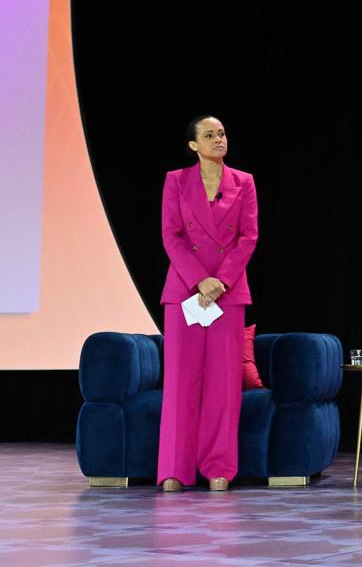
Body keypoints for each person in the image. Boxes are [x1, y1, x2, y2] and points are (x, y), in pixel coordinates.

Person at [158, 115, 259, 492]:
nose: (219, 139)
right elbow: (172, 236)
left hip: (228, 293)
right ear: (193, 145)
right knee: (180, 382)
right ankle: (174, 468)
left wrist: (221, 280)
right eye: (209, 135)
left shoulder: (244, 182)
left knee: (223, 383)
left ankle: (219, 466)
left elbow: (248, 237)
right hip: (185, 291)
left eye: (222, 133)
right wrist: (199, 279)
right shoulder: (176, 181)